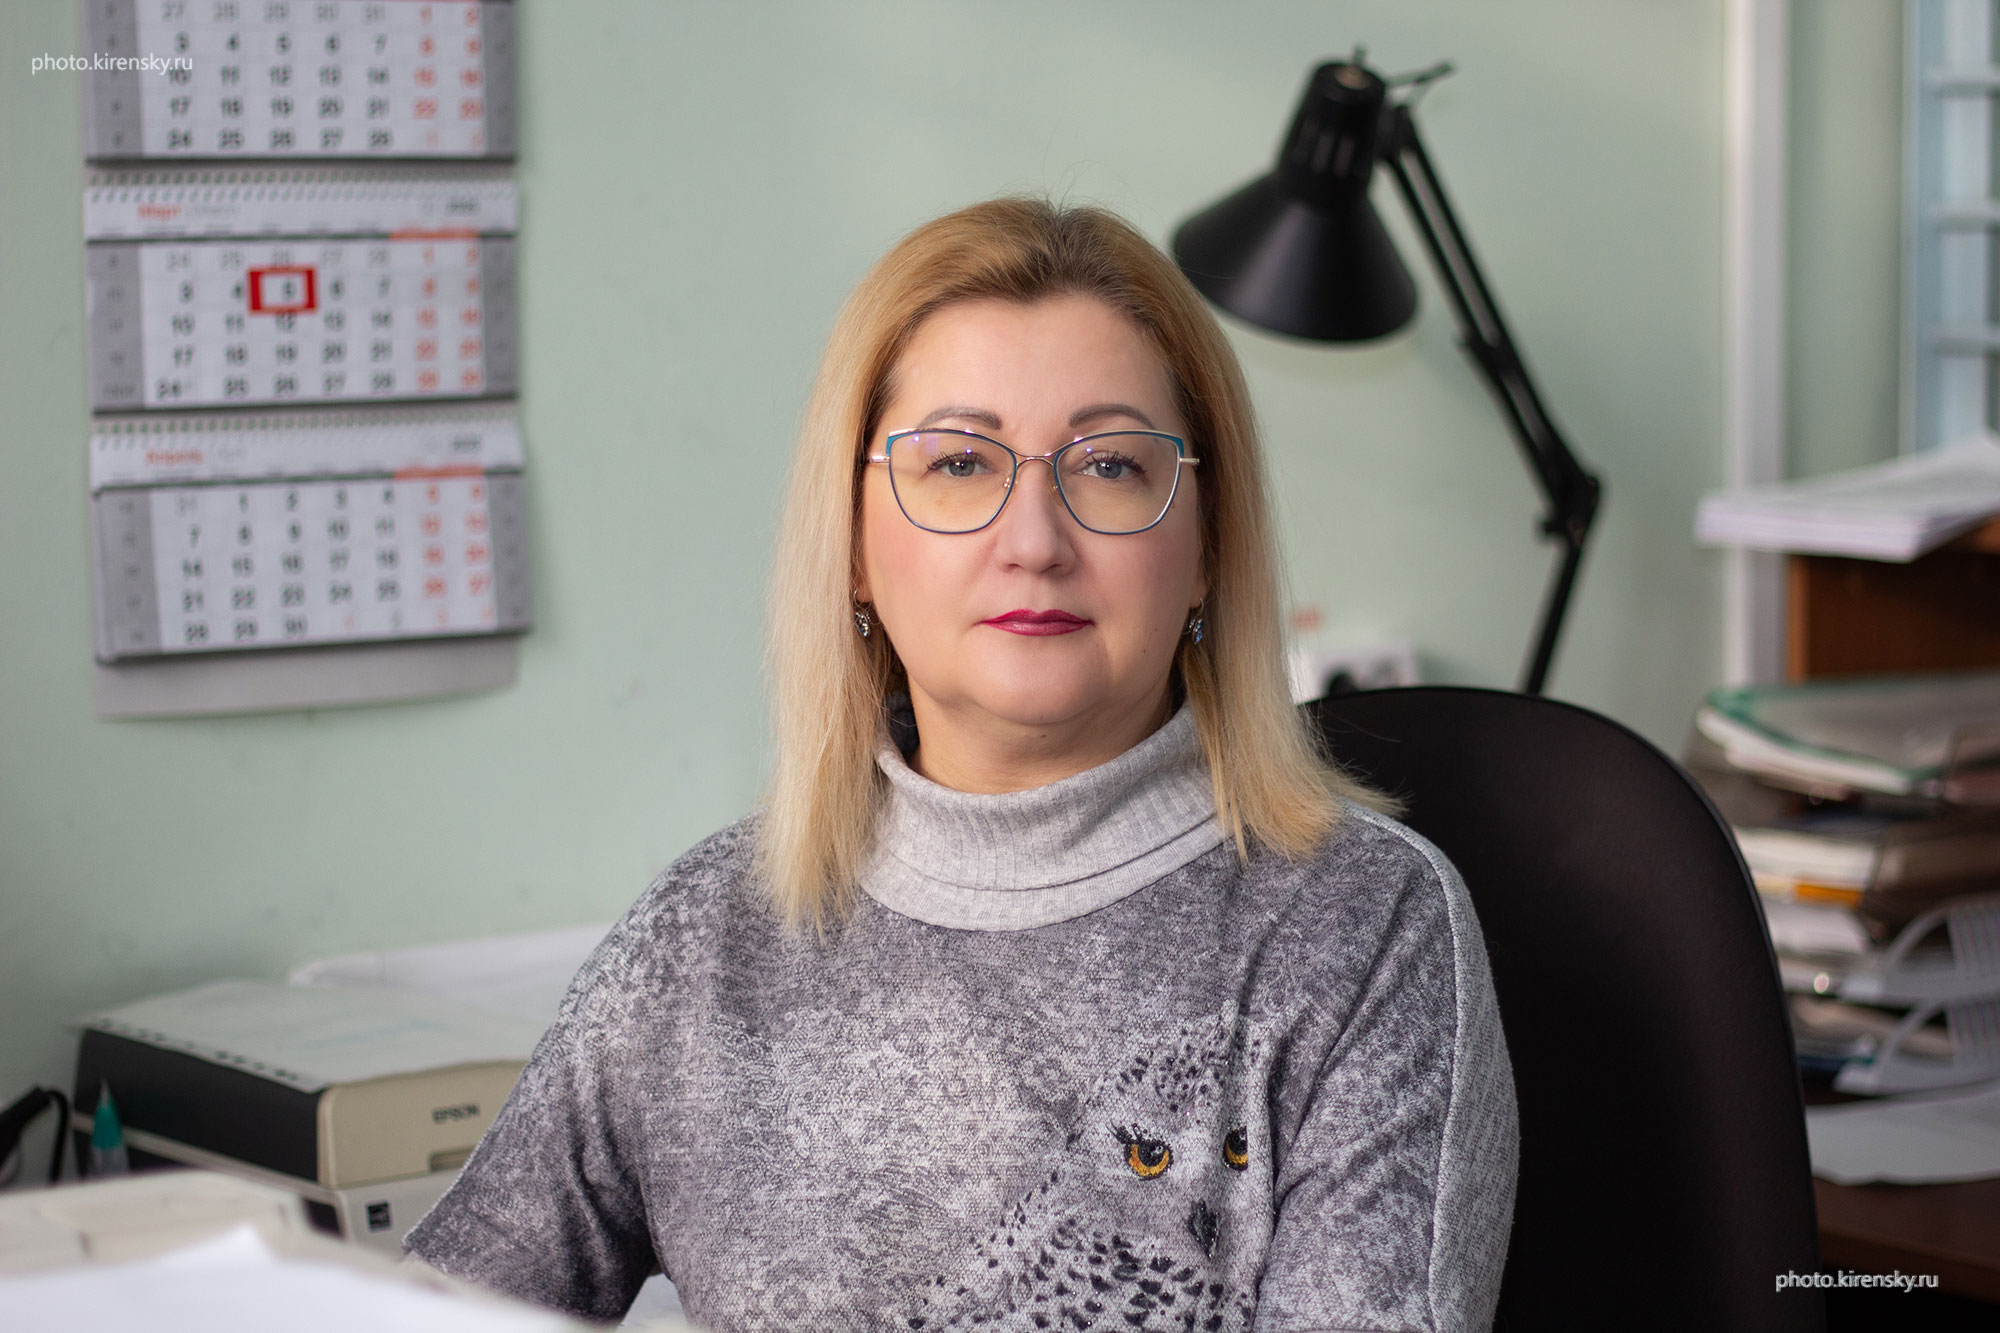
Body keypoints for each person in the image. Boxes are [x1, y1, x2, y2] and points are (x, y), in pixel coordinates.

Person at [405, 198, 1518, 1333]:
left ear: (1205, 547)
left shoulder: (1361, 929)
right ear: (852, 545)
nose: (1033, 541)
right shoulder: (705, 936)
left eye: (1110, 465)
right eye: (956, 463)